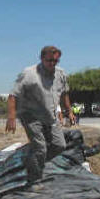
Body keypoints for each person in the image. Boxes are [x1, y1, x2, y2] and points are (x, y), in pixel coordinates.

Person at [6, 45, 75, 183]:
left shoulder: (60, 74)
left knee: (60, 145)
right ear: (42, 58)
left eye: (56, 61)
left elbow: (64, 94)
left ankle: (32, 161)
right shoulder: (29, 74)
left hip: (49, 115)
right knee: (40, 148)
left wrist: (69, 111)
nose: (52, 64)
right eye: (49, 60)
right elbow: (13, 95)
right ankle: (34, 180)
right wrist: (11, 116)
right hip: (30, 115)